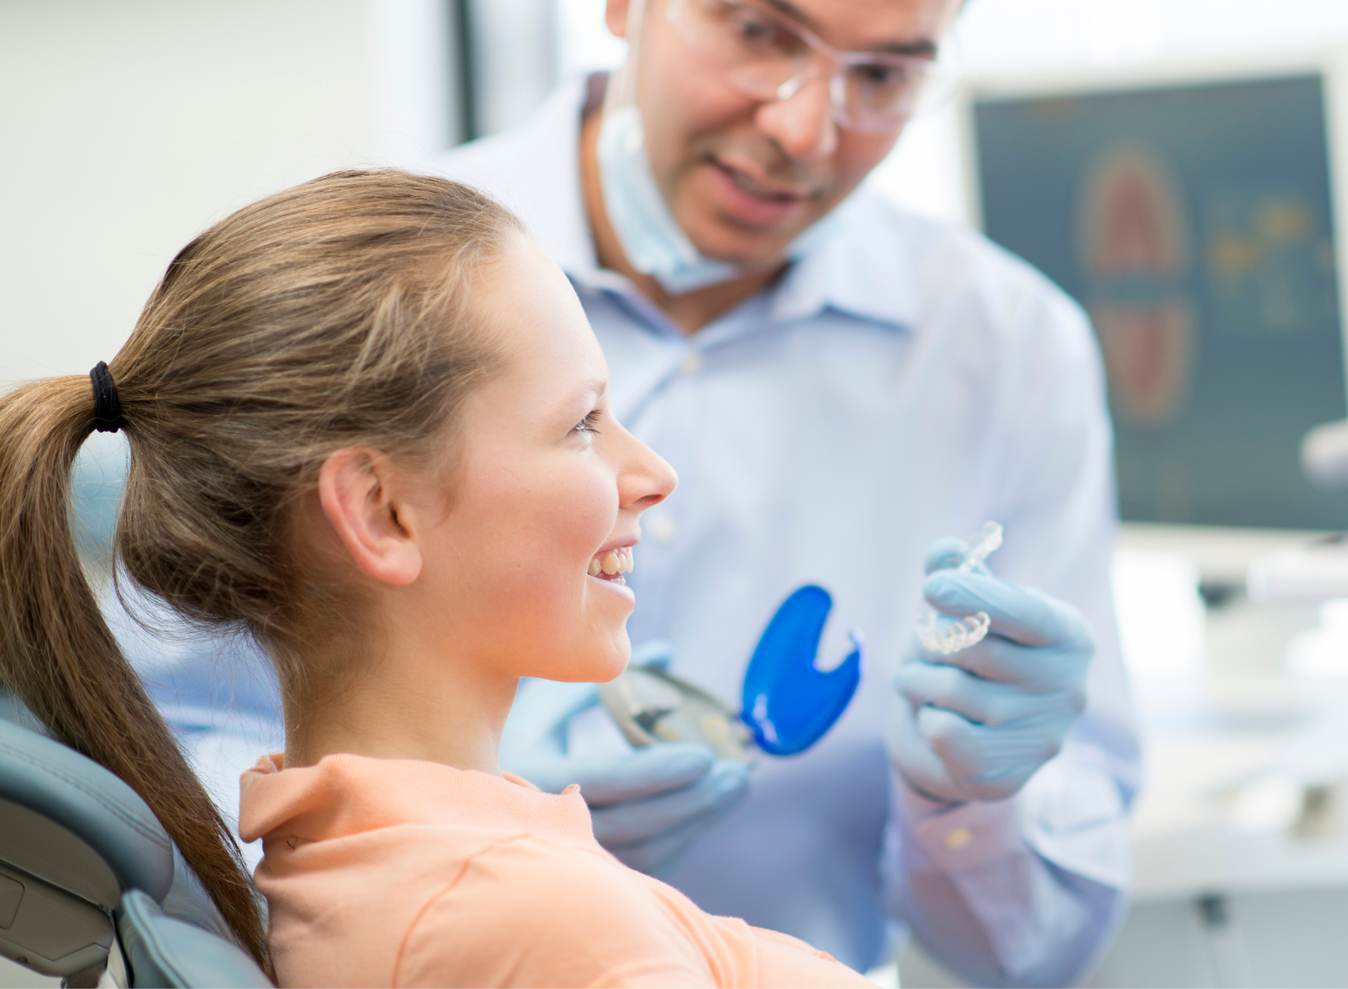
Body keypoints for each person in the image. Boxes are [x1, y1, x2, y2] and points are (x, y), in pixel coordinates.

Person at [437, 0, 1138, 983]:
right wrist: (464, 827)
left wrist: (972, 805)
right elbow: (168, 814)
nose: (806, 130)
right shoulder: (371, 289)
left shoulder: (1004, 354)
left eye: (885, 76)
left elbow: (1028, 958)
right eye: (759, 32)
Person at [0, 170, 872, 987]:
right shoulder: (532, 920)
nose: (651, 473)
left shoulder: (369, 856)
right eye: (582, 423)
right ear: (381, 512)